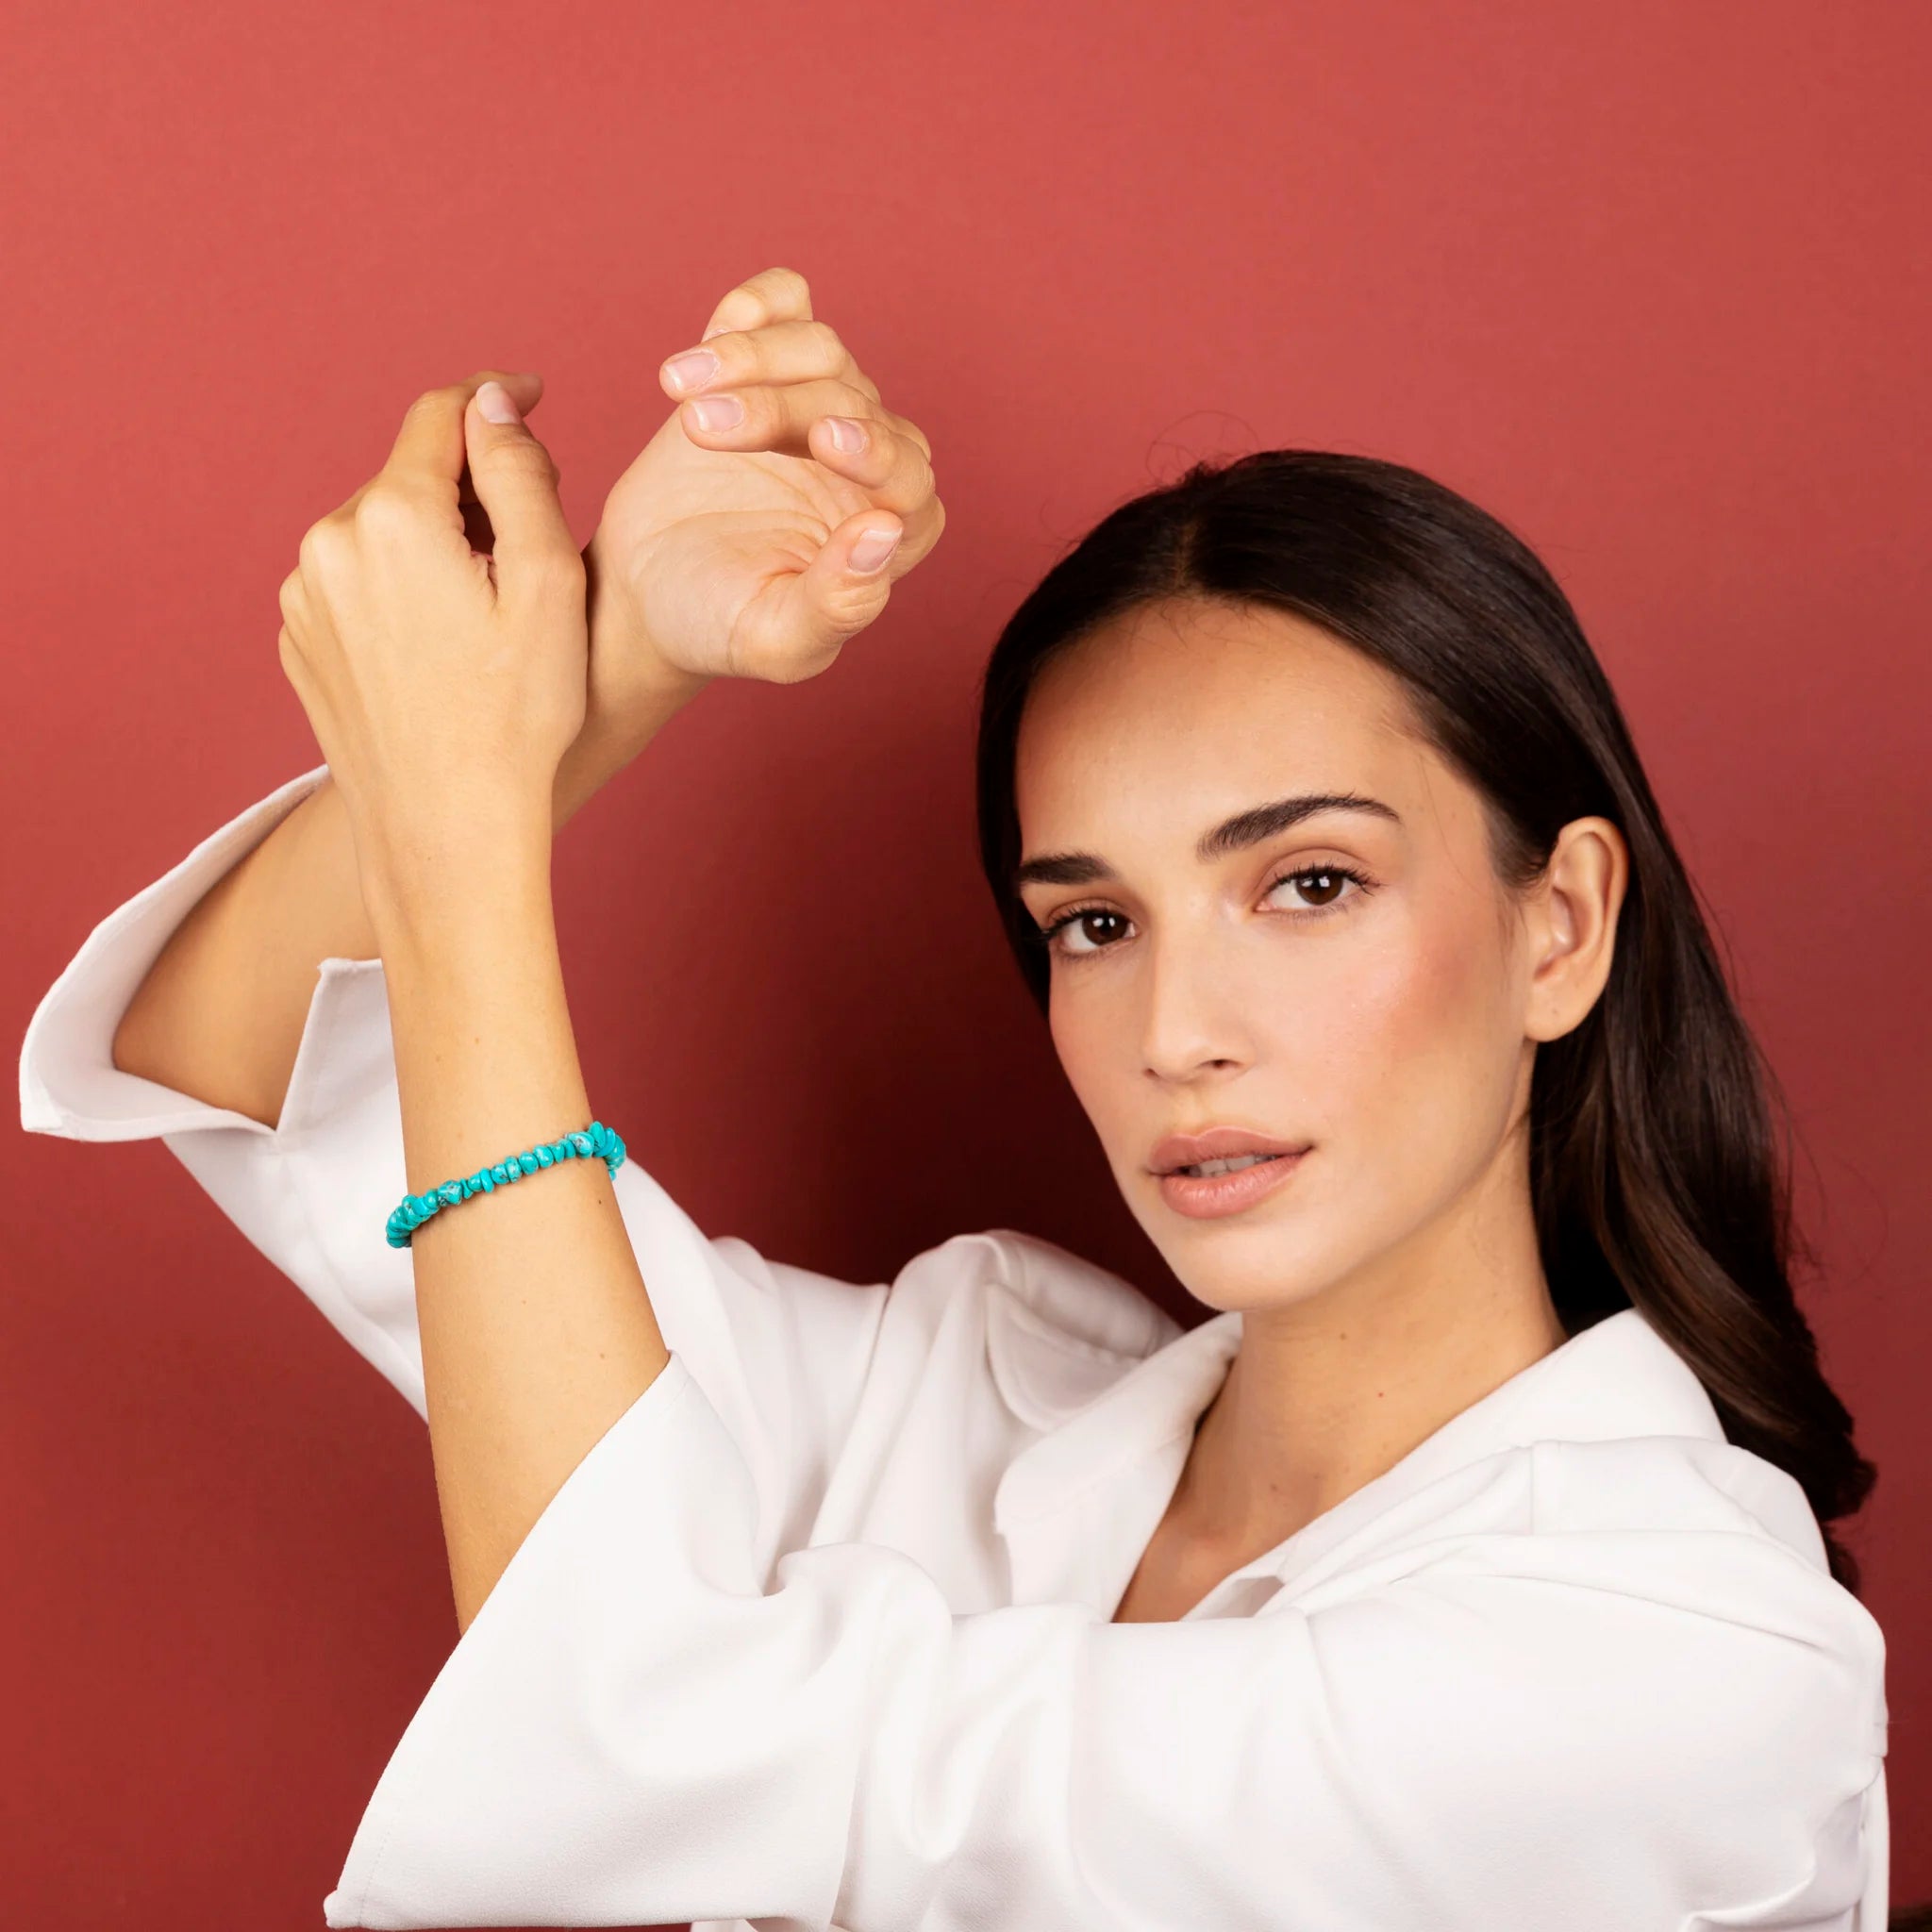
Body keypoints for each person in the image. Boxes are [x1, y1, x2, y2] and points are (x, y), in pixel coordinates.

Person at [20, 265, 1892, 1930]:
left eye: (1309, 883)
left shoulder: (1677, 1658)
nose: (1177, 1029)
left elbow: (621, 1725)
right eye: (1094, 922)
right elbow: (249, 1051)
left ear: (1560, 927)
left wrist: (463, 809)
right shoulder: (963, 1401)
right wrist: (616, 661)